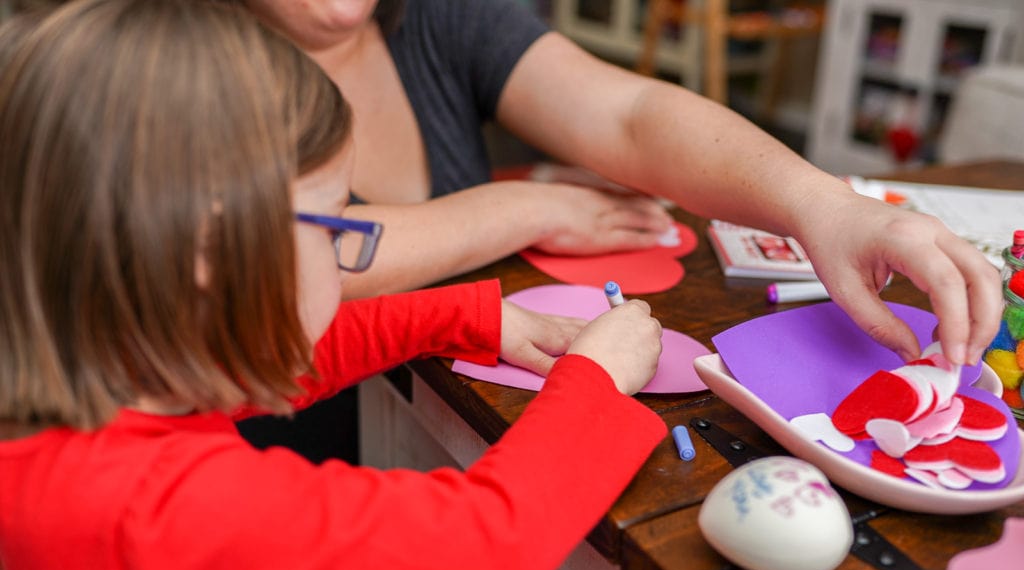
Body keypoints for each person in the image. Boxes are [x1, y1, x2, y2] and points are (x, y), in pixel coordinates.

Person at [0, 1, 666, 570]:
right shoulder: (170, 516)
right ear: (212, 247)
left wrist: (468, 317)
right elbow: (496, 531)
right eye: (332, 227)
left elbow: (277, 355)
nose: (348, 252)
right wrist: (594, 377)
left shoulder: (91, 393)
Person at [231, 0, 999, 367]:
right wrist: (526, 204)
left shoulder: (439, 14)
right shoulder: (168, 71)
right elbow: (272, 251)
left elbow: (629, 115)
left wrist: (824, 204)